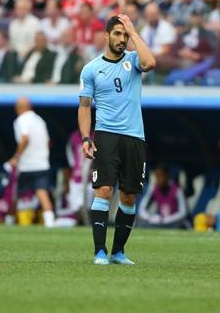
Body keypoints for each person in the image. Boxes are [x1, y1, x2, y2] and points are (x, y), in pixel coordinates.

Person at [78, 14, 156, 266]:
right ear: (107, 36)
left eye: (125, 35)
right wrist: (85, 137)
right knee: (104, 189)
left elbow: (151, 62)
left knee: (129, 196)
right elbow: (84, 106)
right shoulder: (91, 69)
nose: (122, 39)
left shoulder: (133, 60)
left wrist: (134, 32)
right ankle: (99, 251)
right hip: (106, 135)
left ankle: (118, 252)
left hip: (135, 136)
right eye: (118, 34)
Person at [8, 97, 55, 228]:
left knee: (15, 194)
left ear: (18, 108)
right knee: (42, 193)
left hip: (26, 165)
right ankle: (50, 224)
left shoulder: (21, 120)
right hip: (42, 164)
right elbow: (48, 143)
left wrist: (16, 157)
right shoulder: (40, 121)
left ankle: (9, 221)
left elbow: (25, 138)